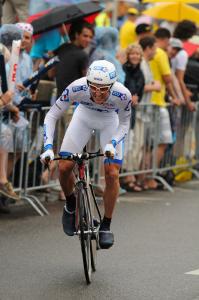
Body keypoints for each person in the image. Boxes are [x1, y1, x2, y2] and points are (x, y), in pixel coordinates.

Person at [40, 60, 132, 249]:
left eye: (104, 89)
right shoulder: (77, 87)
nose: (98, 93)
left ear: (112, 86)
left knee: (112, 173)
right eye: (94, 88)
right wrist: (48, 146)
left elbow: (124, 124)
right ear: (88, 82)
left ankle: (106, 225)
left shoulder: (122, 94)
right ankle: (71, 204)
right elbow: (51, 116)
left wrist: (112, 143)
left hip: (110, 121)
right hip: (83, 117)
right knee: (64, 167)